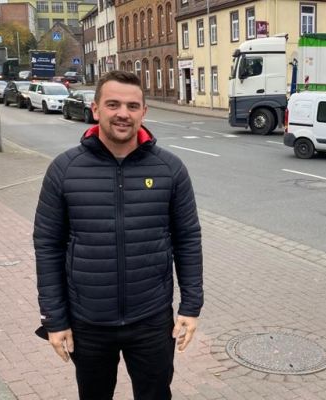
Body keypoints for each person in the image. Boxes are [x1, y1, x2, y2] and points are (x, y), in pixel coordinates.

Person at [33, 70, 204, 400]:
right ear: (96, 109)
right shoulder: (64, 169)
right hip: (88, 321)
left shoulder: (170, 169)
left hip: (152, 320)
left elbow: (187, 239)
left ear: (143, 112)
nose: (123, 113)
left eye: (132, 105)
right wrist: (55, 319)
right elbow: (47, 246)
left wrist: (191, 306)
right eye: (113, 104)